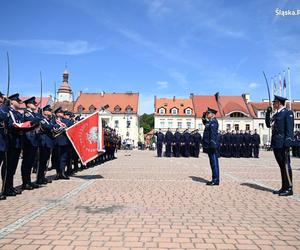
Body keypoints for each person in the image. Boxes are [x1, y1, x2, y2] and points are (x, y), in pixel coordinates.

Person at [266, 95, 294, 196]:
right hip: (276, 143)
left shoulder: (287, 112)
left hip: (283, 143)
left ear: (279, 103)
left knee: (286, 165)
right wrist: (268, 113)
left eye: (274, 103)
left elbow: (290, 129)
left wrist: (288, 141)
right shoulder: (276, 115)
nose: (273, 104)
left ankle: (289, 188)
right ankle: (284, 187)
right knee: (281, 166)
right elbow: (269, 125)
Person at [21, 97, 42, 190]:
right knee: (26, 162)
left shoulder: (34, 114)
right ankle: (25, 182)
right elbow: (34, 121)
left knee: (30, 162)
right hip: (28, 139)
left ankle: (28, 181)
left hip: (34, 139)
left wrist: (38, 117)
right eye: (33, 103)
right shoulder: (26, 114)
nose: (35, 104)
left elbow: (38, 120)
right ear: (28, 104)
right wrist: (38, 117)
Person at [202, 107, 220, 186]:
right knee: (212, 163)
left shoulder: (214, 122)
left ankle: (216, 180)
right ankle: (214, 178)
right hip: (209, 145)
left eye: (208, 113)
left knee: (214, 162)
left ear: (212, 114)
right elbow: (205, 123)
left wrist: (213, 144)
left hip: (212, 145)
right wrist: (203, 117)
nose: (207, 114)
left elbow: (213, 134)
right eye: (206, 113)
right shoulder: (209, 122)